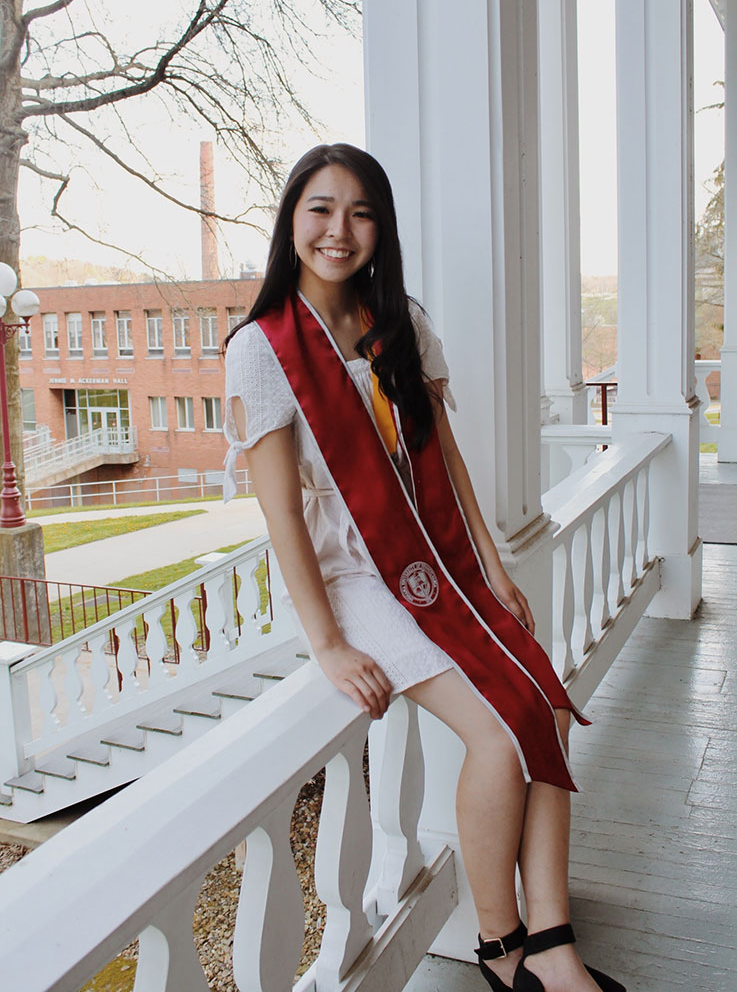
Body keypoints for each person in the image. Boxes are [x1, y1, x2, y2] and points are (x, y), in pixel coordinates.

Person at [223, 144, 625, 992]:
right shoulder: (262, 350)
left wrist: (490, 560)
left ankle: (552, 940)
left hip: (440, 558)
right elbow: (281, 511)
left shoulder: (394, 317)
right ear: (291, 219)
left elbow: (441, 451)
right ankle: (499, 947)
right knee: (495, 730)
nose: (339, 230)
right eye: (321, 209)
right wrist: (328, 644)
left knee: (547, 706)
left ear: (381, 227)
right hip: (358, 582)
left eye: (360, 212)